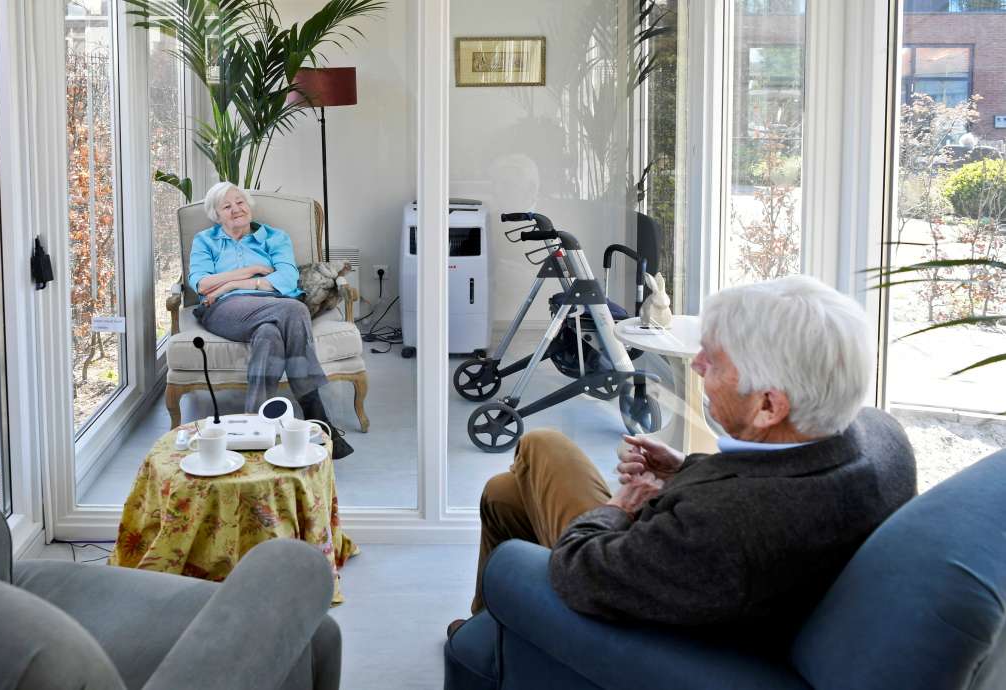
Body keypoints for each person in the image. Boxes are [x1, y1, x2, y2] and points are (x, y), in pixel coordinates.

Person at [452, 275, 917, 641]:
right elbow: (765, 483)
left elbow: (578, 570)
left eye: (713, 361)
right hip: (704, 581)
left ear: (769, 406)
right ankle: (489, 642)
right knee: (506, 493)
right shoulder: (881, 437)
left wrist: (620, 507)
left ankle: (490, 640)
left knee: (541, 445)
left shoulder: (725, 524)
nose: (696, 366)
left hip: (636, 614)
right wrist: (685, 470)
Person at [188, 181, 353, 459]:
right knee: (295, 310)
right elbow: (202, 284)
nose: (236, 209)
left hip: (271, 306)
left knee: (270, 336)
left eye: (240, 202)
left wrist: (227, 283)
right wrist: (250, 270)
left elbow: (287, 279)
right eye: (226, 206)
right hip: (225, 310)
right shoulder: (205, 241)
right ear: (217, 215)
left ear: (248, 205)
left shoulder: (274, 237)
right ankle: (315, 415)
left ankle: (253, 427)